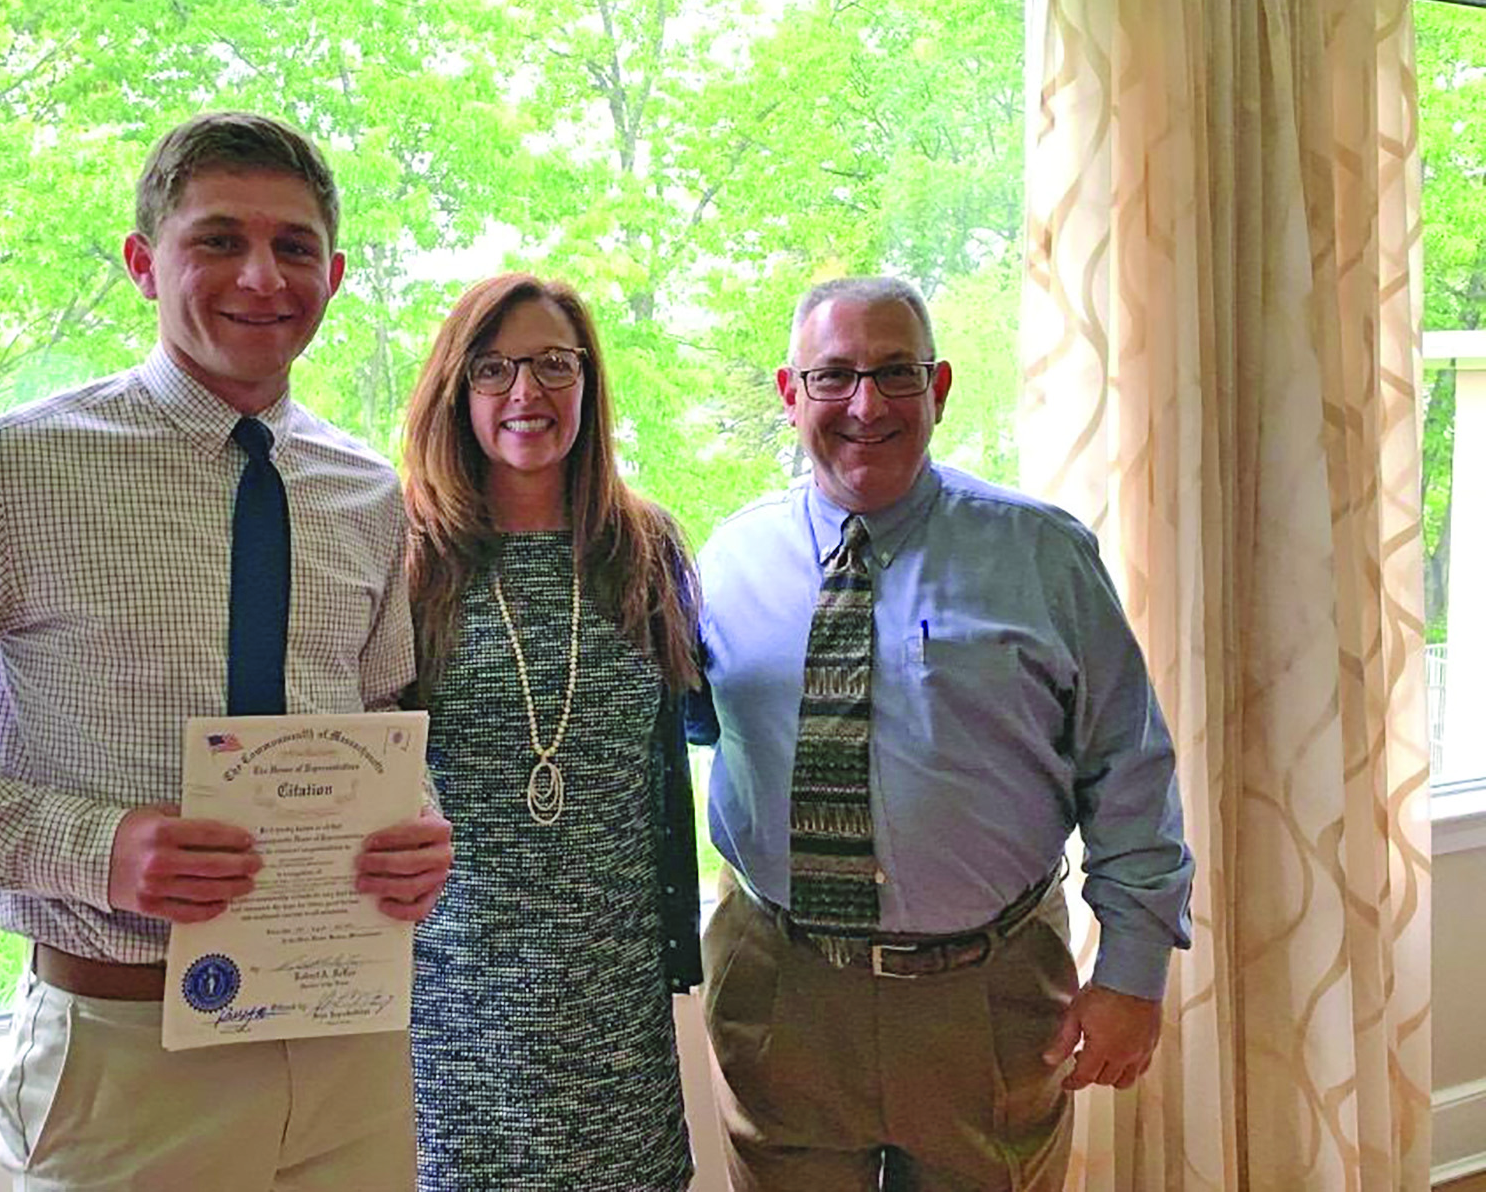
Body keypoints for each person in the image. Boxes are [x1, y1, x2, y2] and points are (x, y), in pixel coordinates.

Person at [0, 111, 454, 1192]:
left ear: (333, 276)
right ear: (145, 265)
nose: (262, 275)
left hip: (352, 1040)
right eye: (217, 240)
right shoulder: (12, 469)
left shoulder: (365, 491)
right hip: (125, 1049)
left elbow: (380, 712)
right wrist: (94, 849)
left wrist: (417, 824)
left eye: (294, 246)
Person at [688, 275, 1193, 1191]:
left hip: (989, 999)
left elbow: (1130, 769)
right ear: (790, 392)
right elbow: (677, 728)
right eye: (834, 376)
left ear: (941, 388)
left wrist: (1133, 971)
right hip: (784, 992)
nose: (866, 404)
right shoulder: (724, 563)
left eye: (897, 374)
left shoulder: (1044, 555)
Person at [400, 273, 702, 1192]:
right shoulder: (408, 559)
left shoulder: (648, 550)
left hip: (616, 1000)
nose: (526, 394)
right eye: (493, 369)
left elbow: (698, 741)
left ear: (589, 383)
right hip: (463, 1001)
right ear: (457, 389)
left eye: (552, 366)